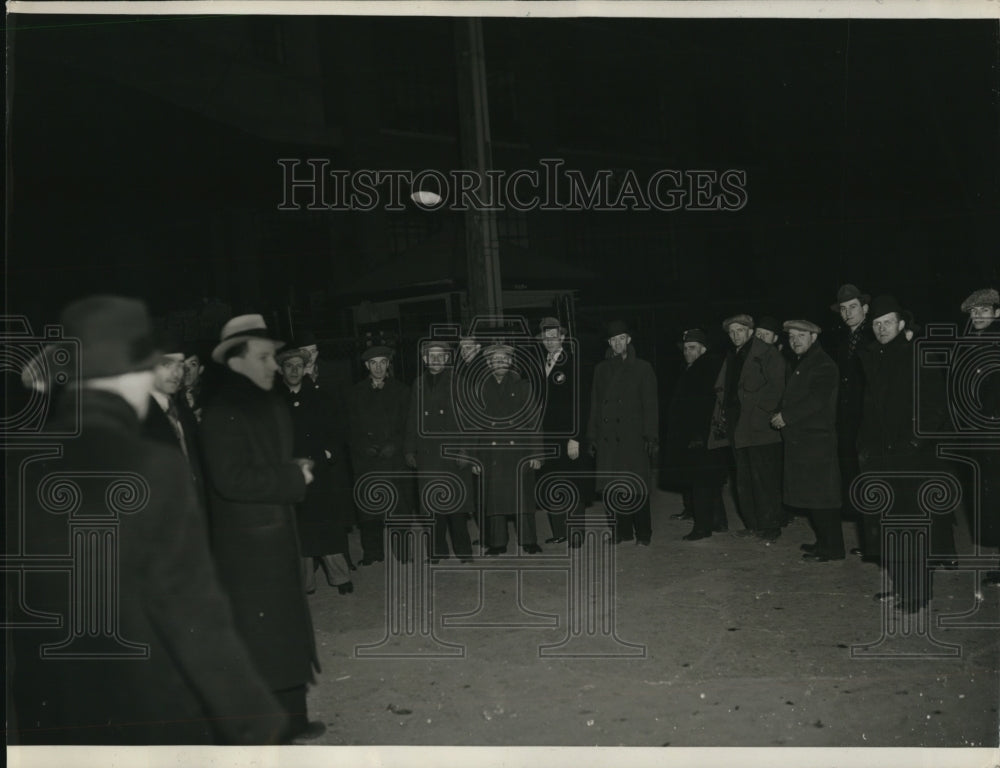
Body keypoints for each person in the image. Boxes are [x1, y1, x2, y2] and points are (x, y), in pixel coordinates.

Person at [10, 296, 287, 745]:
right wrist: (253, 719)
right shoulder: (151, 466)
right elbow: (189, 605)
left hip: (54, 706)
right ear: (138, 371)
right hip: (144, 699)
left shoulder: (24, 461)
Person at [200, 313, 324, 741]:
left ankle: (294, 717)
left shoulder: (264, 400)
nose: (275, 364)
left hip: (275, 534)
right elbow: (230, 479)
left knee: (284, 632)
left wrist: (291, 469)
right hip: (248, 547)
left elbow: (263, 463)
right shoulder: (222, 411)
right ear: (236, 360)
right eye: (265, 356)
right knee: (262, 638)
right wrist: (292, 478)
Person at [857, 295, 954, 613]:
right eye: (877, 324)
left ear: (901, 324)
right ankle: (900, 587)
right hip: (881, 458)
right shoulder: (874, 357)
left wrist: (913, 443)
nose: (882, 328)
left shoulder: (917, 354)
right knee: (889, 527)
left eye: (887, 322)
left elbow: (935, 406)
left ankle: (917, 593)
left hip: (912, 459)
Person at [276, 347, 354, 595]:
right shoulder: (275, 402)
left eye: (299, 365)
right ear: (282, 370)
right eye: (289, 366)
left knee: (326, 525)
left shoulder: (321, 396)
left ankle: (340, 577)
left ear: (306, 368)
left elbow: (337, 428)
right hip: (292, 474)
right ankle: (305, 583)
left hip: (319, 471)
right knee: (300, 530)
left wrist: (329, 453)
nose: (295, 370)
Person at [770, 320, 844, 561]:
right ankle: (824, 542)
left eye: (801, 335)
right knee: (814, 497)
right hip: (805, 441)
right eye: (791, 336)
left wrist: (786, 417)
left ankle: (832, 548)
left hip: (816, 441)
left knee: (822, 498)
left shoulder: (823, 364)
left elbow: (816, 400)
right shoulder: (804, 362)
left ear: (814, 337)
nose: (795, 340)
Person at [708, 314, 787, 541]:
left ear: (750, 332)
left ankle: (771, 526)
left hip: (760, 428)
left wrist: (759, 411)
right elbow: (723, 388)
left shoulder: (767, 353)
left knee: (764, 479)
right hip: (737, 426)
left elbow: (778, 386)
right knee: (744, 479)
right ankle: (753, 524)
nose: (735, 336)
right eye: (731, 332)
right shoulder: (733, 355)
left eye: (740, 331)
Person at [586, 320, 659, 546]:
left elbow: (650, 405)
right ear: (609, 343)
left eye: (621, 339)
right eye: (613, 340)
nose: (617, 343)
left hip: (633, 437)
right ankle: (621, 532)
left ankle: (644, 534)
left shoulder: (643, 368)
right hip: (608, 437)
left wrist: (651, 435)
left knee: (636, 487)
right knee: (613, 487)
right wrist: (592, 435)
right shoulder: (601, 369)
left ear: (628, 340)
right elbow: (595, 405)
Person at [404, 340, 474, 562]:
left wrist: (466, 450)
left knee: (457, 507)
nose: (435, 360)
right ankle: (437, 551)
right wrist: (409, 449)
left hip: (453, 453)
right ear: (425, 360)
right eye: (430, 356)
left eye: (439, 356)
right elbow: (413, 419)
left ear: (446, 358)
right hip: (428, 454)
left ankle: (464, 552)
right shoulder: (418, 383)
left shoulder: (458, 381)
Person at [471, 341, 544, 554]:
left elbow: (534, 422)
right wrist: (474, 458)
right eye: (495, 360)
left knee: (523, 498)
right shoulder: (480, 388)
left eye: (504, 359)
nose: (499, 362)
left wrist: (537, 453)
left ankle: (529, 540)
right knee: (494, 500)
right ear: (488, 363)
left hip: (519, 452)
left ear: (511, 361)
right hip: (491, 452)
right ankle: (497, 543)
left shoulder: (523, 386)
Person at [348, 345, 411, 564]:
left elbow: (407, 425)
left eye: (382, 363)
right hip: (367, 461)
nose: (378, 367)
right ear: (366, 366)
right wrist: (364, 445)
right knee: (369, 509)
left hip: (393, 460)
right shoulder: (355, 393)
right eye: (373, 363)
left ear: (388, 365)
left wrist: (395, 444)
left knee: (399, 508)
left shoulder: (402, 390)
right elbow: (350, 427)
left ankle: (403, 552)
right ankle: (372, 552)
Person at [827, 284, 877, 563]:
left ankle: (875, 542)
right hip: (848, 422)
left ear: (865, 308)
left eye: (853, 307)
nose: (848, 313)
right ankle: (869, 541)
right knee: (856, 479)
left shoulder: (873, 334)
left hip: (868, 419)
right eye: (843, 309)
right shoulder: (843, 339)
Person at [664, 329, 727, 541]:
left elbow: (704, 406)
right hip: (701, 436)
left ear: (703, 349)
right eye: (685, 348)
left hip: (700, 437)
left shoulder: (704, 369)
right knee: (710, 481)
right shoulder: (694, 368)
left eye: (692, 348)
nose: (686, 352)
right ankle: (718, 521)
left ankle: (702, 527)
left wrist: (697, 435)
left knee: (700, 482)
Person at [959, 287, 1000, 587]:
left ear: (997, 314)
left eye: (985, 310)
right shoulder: (972, 342)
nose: (978, 315)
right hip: (980, 435)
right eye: (974, 311)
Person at [534, 317, 587, 544]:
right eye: (546, 337)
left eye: (554, 336)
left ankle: (576, 533)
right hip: (547, 438)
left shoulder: (573, 363)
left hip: (567, 438)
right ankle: (559, 532)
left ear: (563, 337)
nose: (549, 340)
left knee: (572, 483)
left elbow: (581, 403)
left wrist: (576, 437)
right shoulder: (541, 364)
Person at [141, 331, 206, 513]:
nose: (177, 373)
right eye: (166, 364)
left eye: (180, 365)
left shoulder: (184, 413)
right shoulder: (138, 416)